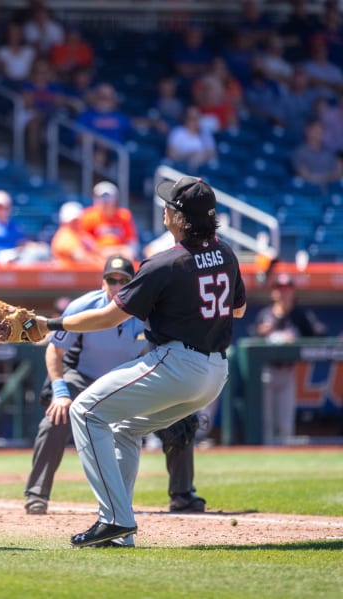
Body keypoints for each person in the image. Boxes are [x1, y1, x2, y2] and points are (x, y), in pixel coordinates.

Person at [22, 175, 246, 548]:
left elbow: (110, 317)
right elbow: (237, 310)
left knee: (85, 412)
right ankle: (119, 531)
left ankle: (113, 519)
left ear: (179, 216)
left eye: (169, 205)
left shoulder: (165, 263)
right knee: (124, 428)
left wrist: (49, 323)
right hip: (214, 372)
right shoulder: (226, 254)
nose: (163, 210)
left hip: (178, 363)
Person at [24, 256, 209, 523]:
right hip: (84, 377)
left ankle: (182, 495)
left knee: (181, 421)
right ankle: (36, 494)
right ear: (103, 283)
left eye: (124, 280)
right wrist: (60, 390)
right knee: (56, 417)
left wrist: (174, 401)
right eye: (112, 280)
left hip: (128, 380)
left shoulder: (149, 313)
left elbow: (164, 352)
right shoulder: (84, 306)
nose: (118, 285)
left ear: (133, 284)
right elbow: (56, 349)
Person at [252, 273, 327, 445]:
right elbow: (254, 337)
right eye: (279, 289)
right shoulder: (266, 315)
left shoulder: (299, 316)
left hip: (288, 373)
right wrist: (267, 331)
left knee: (286, 426)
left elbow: (317, 333)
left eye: (287, 289)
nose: (283, 293)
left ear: (293, 291)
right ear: (273, 292)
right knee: (267, 424)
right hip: (267, 374)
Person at [78, 181, 139, 262]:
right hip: (97, 258)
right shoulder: (88, 216)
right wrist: (100, 251)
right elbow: (84, 240)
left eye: (108, 197)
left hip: (120, 255)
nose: (105, 201)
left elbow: (132, 241)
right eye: (101, 197)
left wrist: (126, 251)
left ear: (115, 199)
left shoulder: (124, 216)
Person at [49, 200, 101, 265]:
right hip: (69, 274)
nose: (74, 223)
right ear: (62, 221)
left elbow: (97, 250)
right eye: (71, 221)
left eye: (77, 220)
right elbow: (80, 257)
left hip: (87, 273)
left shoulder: (82, 235)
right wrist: (101, 263)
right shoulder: (65, 237)